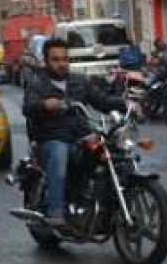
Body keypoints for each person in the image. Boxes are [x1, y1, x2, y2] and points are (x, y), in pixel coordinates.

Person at [22, 38, 112, 230]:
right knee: (59, 151)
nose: (62, 63)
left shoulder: (79, 81)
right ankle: (56, 212)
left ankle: (105, 204)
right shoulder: (38, 83)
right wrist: (45, 104)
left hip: (80, 137)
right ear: (46, 61)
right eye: (56, 59)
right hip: (51, 140)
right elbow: (28, 107)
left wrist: (127, 103)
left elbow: (102, 101)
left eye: (65, 59)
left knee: (111, 149)